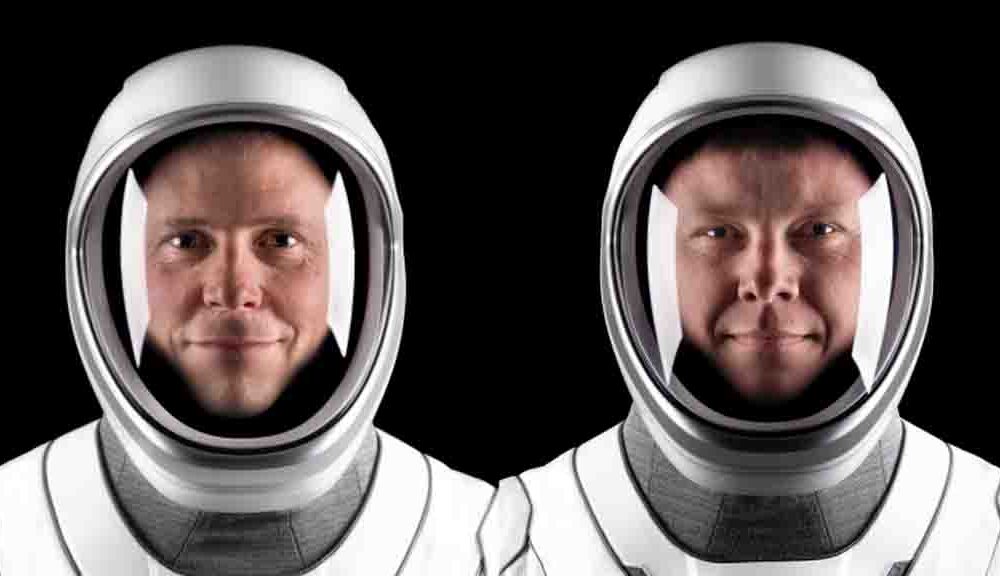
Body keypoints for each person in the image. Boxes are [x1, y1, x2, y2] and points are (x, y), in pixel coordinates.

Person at [478, 43, 1000, 575]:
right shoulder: (520, 537)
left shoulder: (985, 528)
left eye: (820, 231)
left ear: (903, 255)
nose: (769, 279)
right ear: (637, 261)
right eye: (718, 232)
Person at [0, 46, 494, 575]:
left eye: (280, 240)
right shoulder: (10, 524)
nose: (234, 289)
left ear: (364, 264)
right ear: (100, 267)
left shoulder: (483, 538)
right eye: (187, 241)